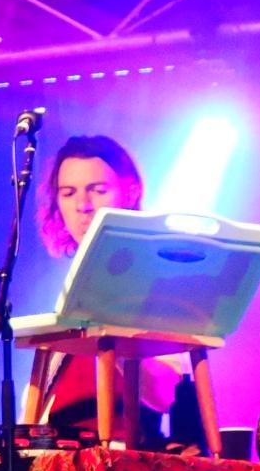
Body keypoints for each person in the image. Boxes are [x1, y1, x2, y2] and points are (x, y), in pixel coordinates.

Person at [31, 134, 184, 445]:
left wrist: (110, 334)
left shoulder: (154, 281)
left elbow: (165, 394)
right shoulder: (70, 287)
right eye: (68, 193)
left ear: (129, 193)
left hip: (119, 454)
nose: (82, 206)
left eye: (98, 191)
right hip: (60, 453)